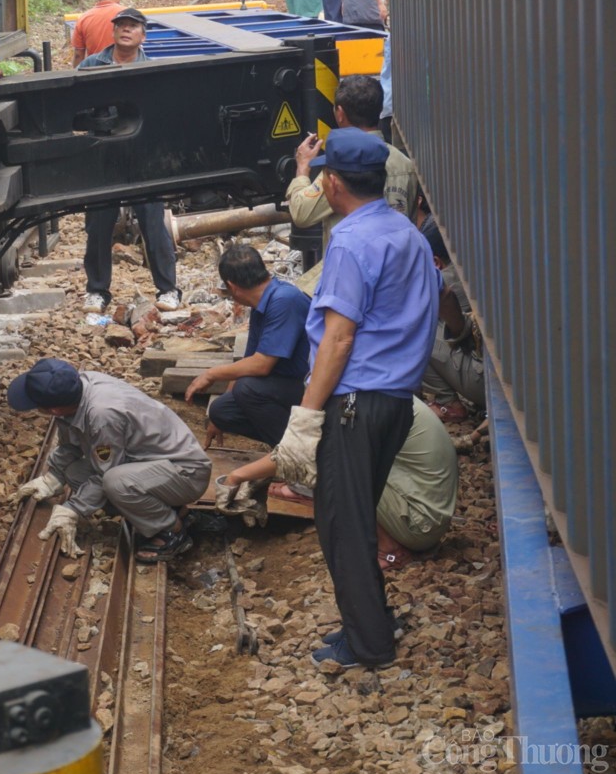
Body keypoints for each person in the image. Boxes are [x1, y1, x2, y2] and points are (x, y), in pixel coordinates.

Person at [271, 128, 441, 668]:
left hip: (354, 401)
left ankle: (369, 645)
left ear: (333, 181)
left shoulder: (349, 240)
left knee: (343, 525)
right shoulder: (407, 233)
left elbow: (339, 337)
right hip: (395, 400)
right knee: (358, 516)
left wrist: (306, 415)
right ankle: (370, 623)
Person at [8, 358, 212, 563]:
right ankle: (168, 510)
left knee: (115, 481)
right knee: (75, 473)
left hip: (186, 473)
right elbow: (71, 441)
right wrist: (53, 477)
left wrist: (73, 509)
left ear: (55, 410)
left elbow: (105, 473)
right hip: (153, 464)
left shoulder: (102, 415)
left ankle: (172, 531)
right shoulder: (79, 387)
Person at [217, 398, 458, 571]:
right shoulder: (385, 393)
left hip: (419, 523)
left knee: (336, 465)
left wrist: (237, 476)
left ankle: (390, 549)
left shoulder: (362, 405)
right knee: (341, 457)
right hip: (426, 510)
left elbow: (307, 451)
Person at [78, 8, 182, 315]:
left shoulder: (151, 69)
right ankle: (97, 291)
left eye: (132, 27)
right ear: (113, 33)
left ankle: (169, 289)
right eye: (121, 26)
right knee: (98, 224)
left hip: (142, 158)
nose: (125, 30)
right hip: (104, 156)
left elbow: (163, 115)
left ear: (142, 36)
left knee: (153, 221)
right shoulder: (91, 65)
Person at [184, 245, 311, 448]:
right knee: (221, 410)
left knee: (248, 389)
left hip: (310, 386)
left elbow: (261, 365)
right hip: (283, 385)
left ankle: (295, 454)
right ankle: (285, 444)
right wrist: (218, 411)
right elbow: (248, 362)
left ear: (232, 286)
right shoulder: (261, 306)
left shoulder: (285, 300)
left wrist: (211, 374)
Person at [287, 75, 417, 249]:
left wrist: (302, 168)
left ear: (340, 113)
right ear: (379, 109)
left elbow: (301, 213)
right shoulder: (405, 164)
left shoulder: (343, 164)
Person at [415, 194, 485, 422]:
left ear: (436, 262)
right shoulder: (476, 265)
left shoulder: (448, 278)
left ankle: (448, 405)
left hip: (487, 381)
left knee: (413, 331)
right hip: (511, 376)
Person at [72, 0, 124, 67]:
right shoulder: (127, 14)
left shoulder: (83, 19)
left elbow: (78, 55)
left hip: (95, 71)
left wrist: (76, 75)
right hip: (124, 70)